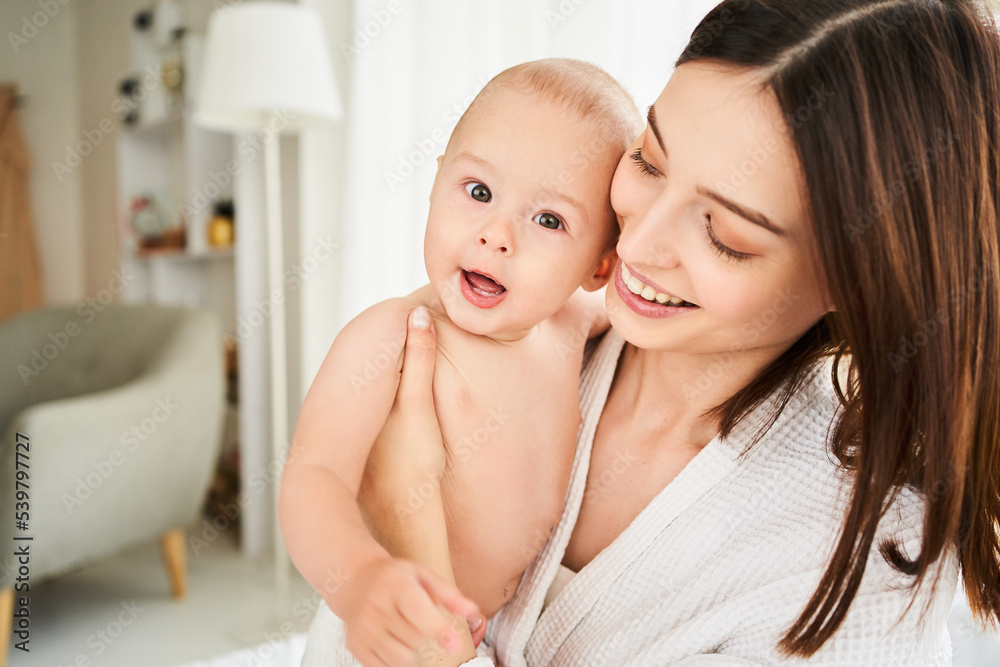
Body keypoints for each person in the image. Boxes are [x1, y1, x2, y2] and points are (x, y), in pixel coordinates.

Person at [305, 0, 1000, 665]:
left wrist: (412, 532)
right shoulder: (527, 331)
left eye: (725, 234)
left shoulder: (871, 564)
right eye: (648, 160)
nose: (637, 244)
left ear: (857, 277)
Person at [281, 59, 644, 667]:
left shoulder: (569, 323)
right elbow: (313, 478)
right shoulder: (390, 338)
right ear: (434, 186)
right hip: (388, 635)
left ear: (599, 266)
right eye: (478, 192)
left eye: (549, 220)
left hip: (495, 634)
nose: (496, 234)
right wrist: (363, 578)